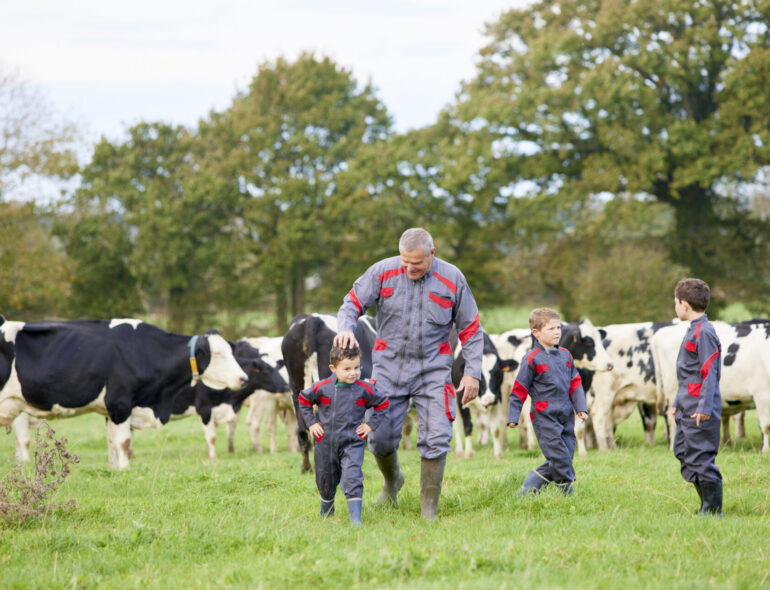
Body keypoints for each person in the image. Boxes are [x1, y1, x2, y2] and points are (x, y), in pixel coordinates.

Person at [334, 227, 483, 519]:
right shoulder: (382, 271)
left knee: (437, 436)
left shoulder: (453, 278)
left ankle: (429, 511)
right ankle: (392, 481)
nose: (410, 268)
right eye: (405, 263)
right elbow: (351, 304)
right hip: (388, 368)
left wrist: (472, 372)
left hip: (433, 369)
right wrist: (345, 329)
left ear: (432, 254)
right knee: (379, 437)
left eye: (417, 263)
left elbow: (471, 330)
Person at [297, 345, 390, 525]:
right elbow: (303, 399)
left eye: (356, 368)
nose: (353, 373)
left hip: (352, 443)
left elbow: (383, 403)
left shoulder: (365, 389)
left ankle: (355, 519)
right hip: (325, 443)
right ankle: (326, 512)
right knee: (325, 478)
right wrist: (311, 423)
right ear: (334, 368)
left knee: (352, 476)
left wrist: (370, 425)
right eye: (347, 369)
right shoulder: (322, 388)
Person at [507, 308, 588, 495]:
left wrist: (580, 408)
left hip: (566, 414)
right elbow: (519, 390)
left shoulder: (566, 355)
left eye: (558, 327)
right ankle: (568, 492)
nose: (557, 332)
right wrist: (513, 416)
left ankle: (527, 491)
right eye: (551, 329)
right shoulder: (531, 359)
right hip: (545, 417)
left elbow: (575, 383)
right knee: (559, 456)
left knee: (565, 455)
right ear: (536, 333)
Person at [667, 278, 723, 515]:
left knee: (701, 458)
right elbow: (689, 374)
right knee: (682, 452)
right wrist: (677, 403)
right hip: (686, 407)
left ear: (685, 305)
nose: (675, 306)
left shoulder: (704, 333)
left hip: (700, 410)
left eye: (676, 302)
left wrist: (704, 407)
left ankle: (712, 511)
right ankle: (704, 505)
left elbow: (710, 374)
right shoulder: (694, 330)